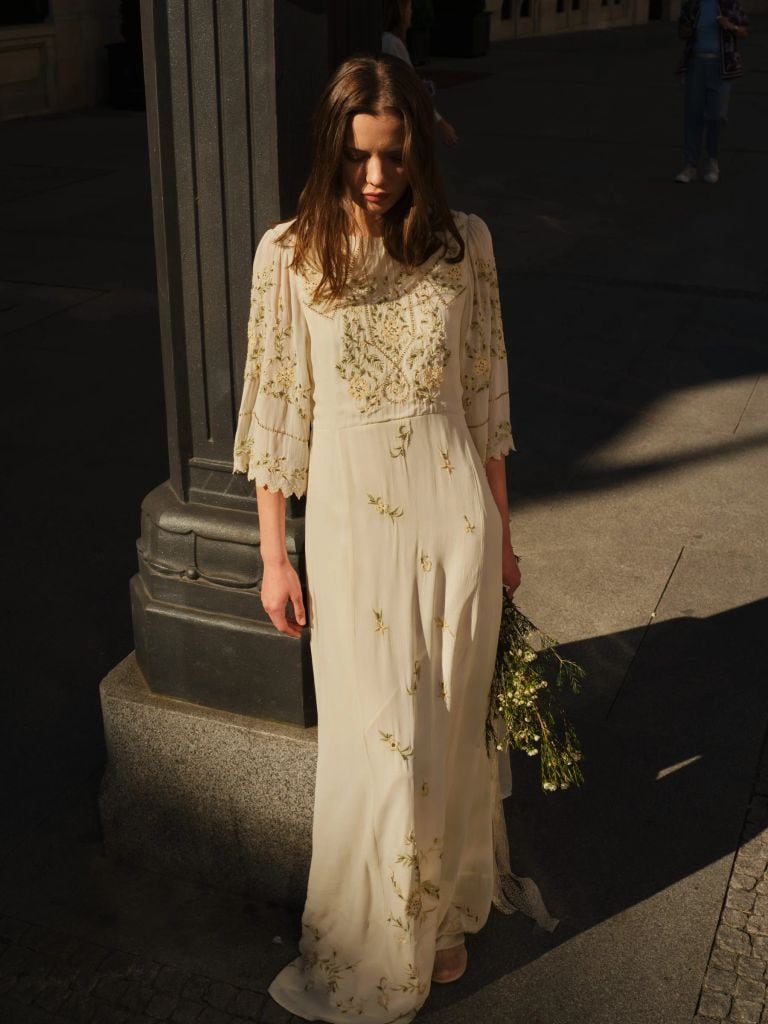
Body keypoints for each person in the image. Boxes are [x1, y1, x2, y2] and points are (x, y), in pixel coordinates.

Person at [232, 53, 554, 1024]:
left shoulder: (468, 249)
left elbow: (486, 399)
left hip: (453, 513)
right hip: (345, 530)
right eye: (360, 157)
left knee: (450, 733)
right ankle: (377, 932)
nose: (377, 179)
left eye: (397, 158)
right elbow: (276, 415)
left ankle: (443, 912)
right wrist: (274, 554)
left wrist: (501, 536)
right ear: (333, 148)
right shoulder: (286, 254)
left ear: (420, 150)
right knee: (378, 741)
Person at [675, 0, 748, 184]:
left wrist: (730, 26)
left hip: (720, 65)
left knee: (717, 115)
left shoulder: (729, 4)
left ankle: (712, 160)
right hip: (696, 63)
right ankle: (690, 165)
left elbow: (744, 30)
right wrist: (687, 30)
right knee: (693, 115)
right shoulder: (692, 4)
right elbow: (682, 31)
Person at [382, 0, 459, 147]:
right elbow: (411, 89)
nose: (412, 12)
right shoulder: (392, 43)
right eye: (410, 8)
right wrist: (441, 123)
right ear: (401, 11)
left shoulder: (390, 41)